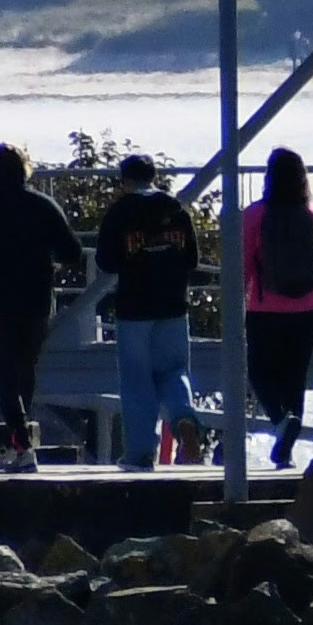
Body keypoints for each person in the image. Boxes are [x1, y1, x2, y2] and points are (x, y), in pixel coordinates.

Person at [0, 144, 88, 469]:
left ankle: (21, 443)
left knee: (0, 372)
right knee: (25, 371)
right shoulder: (42, 205)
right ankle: (19, 444)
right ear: (25, 168)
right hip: (35, 300)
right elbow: (72, 250)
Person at [90, 152, 211, 469]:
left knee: (136, 380)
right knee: (174, 372)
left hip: (134, 307)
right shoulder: (175, 208)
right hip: (173, 305)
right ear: (153, 176)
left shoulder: (121, 210)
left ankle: (141, 452)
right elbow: (192, 260)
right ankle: (184, 418)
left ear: (125, 180)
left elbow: (105, 261)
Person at [241, 146, 313, 470]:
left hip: (265, 308)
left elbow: (243, 267)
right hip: (308, 310)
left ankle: (281, 423)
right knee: (295, 380)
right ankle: (286, 448)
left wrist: (236, 304)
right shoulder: (312, 218)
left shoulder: (254, 216)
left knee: (258, 373)